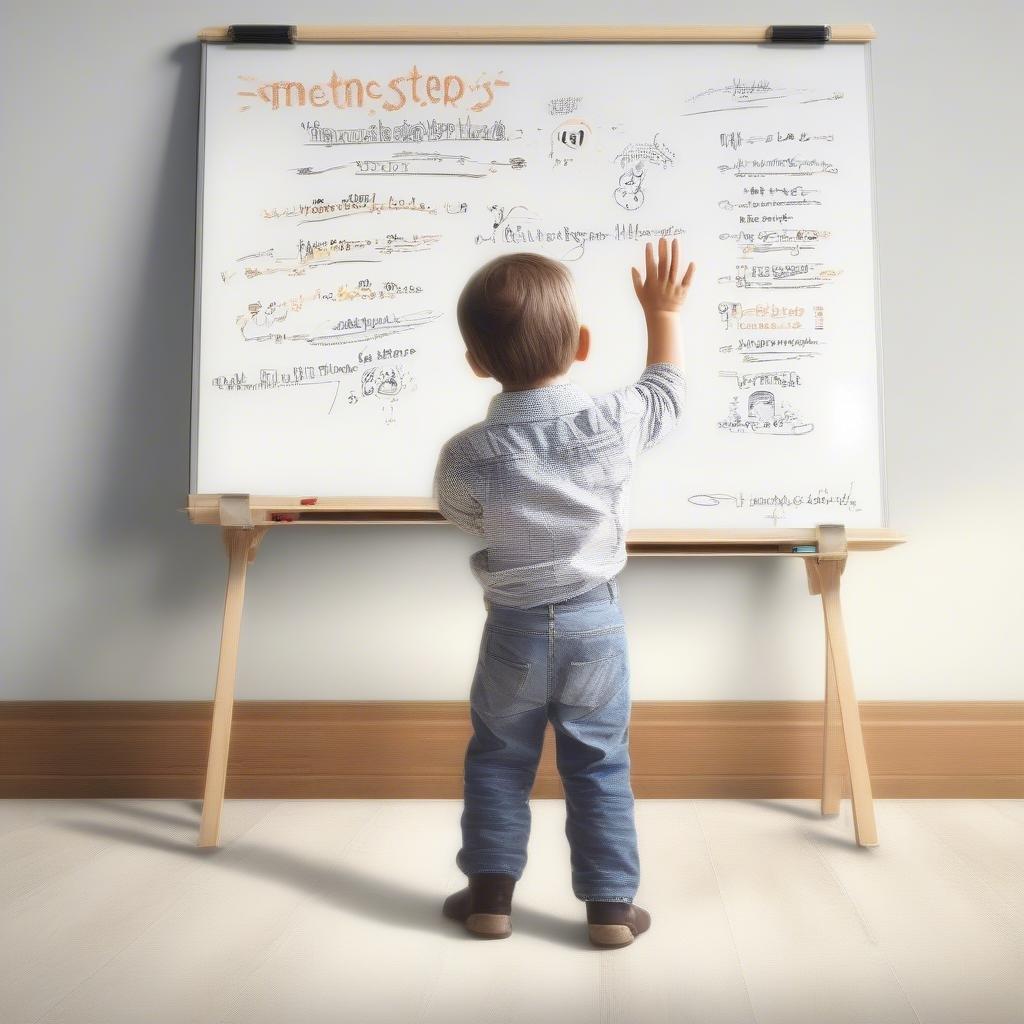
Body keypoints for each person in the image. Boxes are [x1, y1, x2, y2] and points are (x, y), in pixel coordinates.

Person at [434, 237, 695, 948]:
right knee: (599, 760)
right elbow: (666, 393)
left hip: (513, 628)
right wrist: (662, 311)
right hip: (594, 625)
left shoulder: (466, 455)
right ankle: (611, 908)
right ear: (582, 343)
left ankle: (489, 897)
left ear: (476, 363)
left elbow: (460, 513)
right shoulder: (612, 422)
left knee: (498, 758)